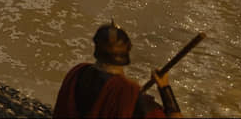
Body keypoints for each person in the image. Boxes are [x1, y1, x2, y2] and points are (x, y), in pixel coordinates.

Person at [53, 21, 184, 118]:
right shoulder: (129, 93)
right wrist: (165, 89)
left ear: (96, 48)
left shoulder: (77, 72)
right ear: (128, 49)